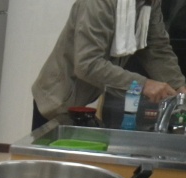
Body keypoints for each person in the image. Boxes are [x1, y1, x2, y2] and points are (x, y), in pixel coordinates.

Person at [32, 0, 186, 130]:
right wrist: (143, 85)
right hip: (55, 101)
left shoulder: (149, 2)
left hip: (81, 100)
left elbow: (156, 48)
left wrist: (179, 87)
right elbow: (88, 64)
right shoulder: (98, 3)